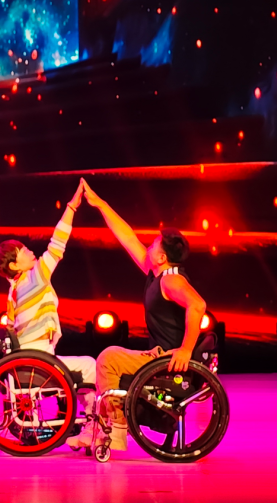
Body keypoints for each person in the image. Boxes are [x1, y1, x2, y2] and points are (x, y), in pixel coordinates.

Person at [83, 183, 207, 452]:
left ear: (162, 257)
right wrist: (101, 204)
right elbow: (127, 238)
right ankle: (99, 425)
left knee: (108, 358)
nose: (147, 246)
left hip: (166, 357)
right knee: (106, 361)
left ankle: (117, 428)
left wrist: (186, 350)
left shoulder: (172, 280)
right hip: (157, 354)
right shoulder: (157, 274)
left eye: (152, 244)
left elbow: (198, 304)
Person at [0, 178, 99, 449]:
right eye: (24, 251)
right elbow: (57, 244)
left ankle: (84, 420)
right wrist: (72, 207)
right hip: (37, 362)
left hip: (27, 361)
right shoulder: (34, 277)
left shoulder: (14, 290)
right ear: (15, 265)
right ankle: (92, 425)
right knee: (91, 366)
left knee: (80, 368)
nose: (30, 251)